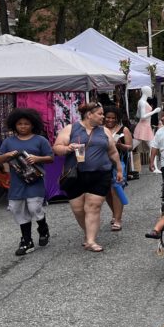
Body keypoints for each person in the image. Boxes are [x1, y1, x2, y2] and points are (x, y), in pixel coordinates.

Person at [52, 101, 125, 253]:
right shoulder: (71, 129)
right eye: (100, 114)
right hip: (75, 175)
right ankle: (88, 234)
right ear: (89, 115)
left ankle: (91, 240)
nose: (103, 117)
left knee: (93, 206)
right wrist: (67, 148)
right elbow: (57, 148)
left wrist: (119, 169)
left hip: (100, 174)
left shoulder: (104, 131)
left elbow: (112, 151)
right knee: (78, 209)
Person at [0, 108, 54, 256]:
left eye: (26, 124)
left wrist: (38, 158)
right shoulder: (8, 142)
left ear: (32, 124)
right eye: (19, 124)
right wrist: (6, 155)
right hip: (17, 183)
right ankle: (26, 241)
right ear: (14, 125)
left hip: (35, 181)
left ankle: (43, 228)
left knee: (34, 207)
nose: (23, 126)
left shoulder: (40, 140)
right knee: (17, 209)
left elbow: (51, 157)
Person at [102, 107, 133, 232]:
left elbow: (130, 147)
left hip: (119, 163)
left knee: (117, 190)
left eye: (113, 118)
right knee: (107, 192)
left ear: (117, 118)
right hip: (102, 164)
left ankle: (118, 220)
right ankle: (115, 214)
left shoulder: (123, 129)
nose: (110, 120)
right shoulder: (99, 129)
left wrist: (120, 145)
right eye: (108, 117)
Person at [132, 85, 160, 172]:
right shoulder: (142, 102)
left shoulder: (141, 102)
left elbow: (138, 115)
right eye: (150, 91)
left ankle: (154, 167)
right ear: (146, 92)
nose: (151, 92)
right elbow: (143, 116)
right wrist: (154, 111)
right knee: (131, 147)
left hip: (145, 126)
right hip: (143, 127)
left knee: (152, 147)